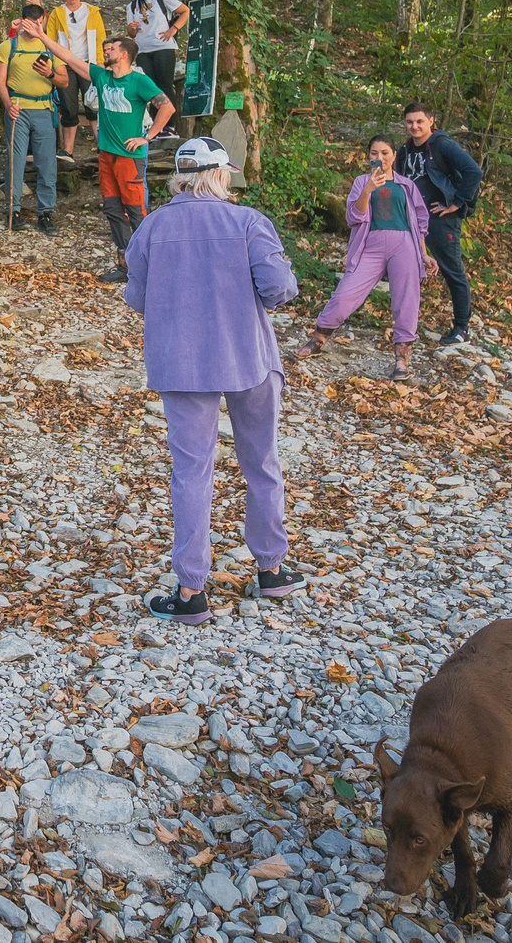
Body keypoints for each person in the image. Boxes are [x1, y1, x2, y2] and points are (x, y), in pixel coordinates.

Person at [124, 137, 305, 619]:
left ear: (182, 176)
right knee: (261, 462)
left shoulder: (152, 226)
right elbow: (280, 287)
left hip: (182, 363)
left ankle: (190, 592)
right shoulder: (247, 222)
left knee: (191, 472)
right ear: (218, 174)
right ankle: (270, 571)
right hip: (247, 355)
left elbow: (137, 298)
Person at [309, 136, 440, 378]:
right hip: (371, 245)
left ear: (394, 156)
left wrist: (424, 254)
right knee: (346, 293)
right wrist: (369, 188)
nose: (379, 158)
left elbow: (420, 223)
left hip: (404, 245)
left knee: (406, 301)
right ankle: (317, 340)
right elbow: (354, 217)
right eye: (373, 153)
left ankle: (402, 362)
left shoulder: (406, 186)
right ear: (368, 156)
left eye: (384, 153)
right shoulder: (361, 182)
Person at [52, 35, 172, 283]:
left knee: (136, 212)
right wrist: (42, 35)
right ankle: (124, 265)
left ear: (124, 54)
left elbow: (167, 107)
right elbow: (70, 58)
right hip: (107, 156)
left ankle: (151, 268)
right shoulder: (103, 77)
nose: (106, 52)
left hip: (130, 157)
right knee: (112, 209)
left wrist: (147, 137)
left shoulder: (139, 81)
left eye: (112, 49)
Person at [396, 103, 483, 344]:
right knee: (407, 266)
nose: (414, 126)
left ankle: (461, 328)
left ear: (431, 121)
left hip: (440, 217)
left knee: (451, 269)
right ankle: (406, 322)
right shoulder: (404, 150)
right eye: (410, 122)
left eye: (419, 121)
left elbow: (473, 172)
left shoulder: (442, 145)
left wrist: (457, 202)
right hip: (412, 217)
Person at [0, 2, 63, 235]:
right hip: (17, 109)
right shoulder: (8, 46)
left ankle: (45, 212)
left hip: (44, 109)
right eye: (30, 22)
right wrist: (7, 105)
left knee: (47, 162)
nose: (34, 27)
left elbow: (64, 81)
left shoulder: (51, 47)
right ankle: (12, 210)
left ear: (43, 21)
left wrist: (49, 73)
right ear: (22, 20)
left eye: (38, 22)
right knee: (16, 160)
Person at [47, 0, 106, 176]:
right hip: (65, 63)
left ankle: (102, 144)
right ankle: (68, 149)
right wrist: (56, 64)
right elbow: (51, 39)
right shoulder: (57, 14)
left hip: (88, 62)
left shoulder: (92, 12)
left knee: (94, 103)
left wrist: (100, 62)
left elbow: (100, 38)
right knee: (68, 105)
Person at [124, 0, 189, 98]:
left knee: (165, 86)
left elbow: (185, 11)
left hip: (163, 47)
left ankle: (171, 118)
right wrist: (132, 27)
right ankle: (156, 118)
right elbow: (131, 34)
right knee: (151, 89)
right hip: (143, 50)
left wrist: (174, 29)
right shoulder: (131, 6)